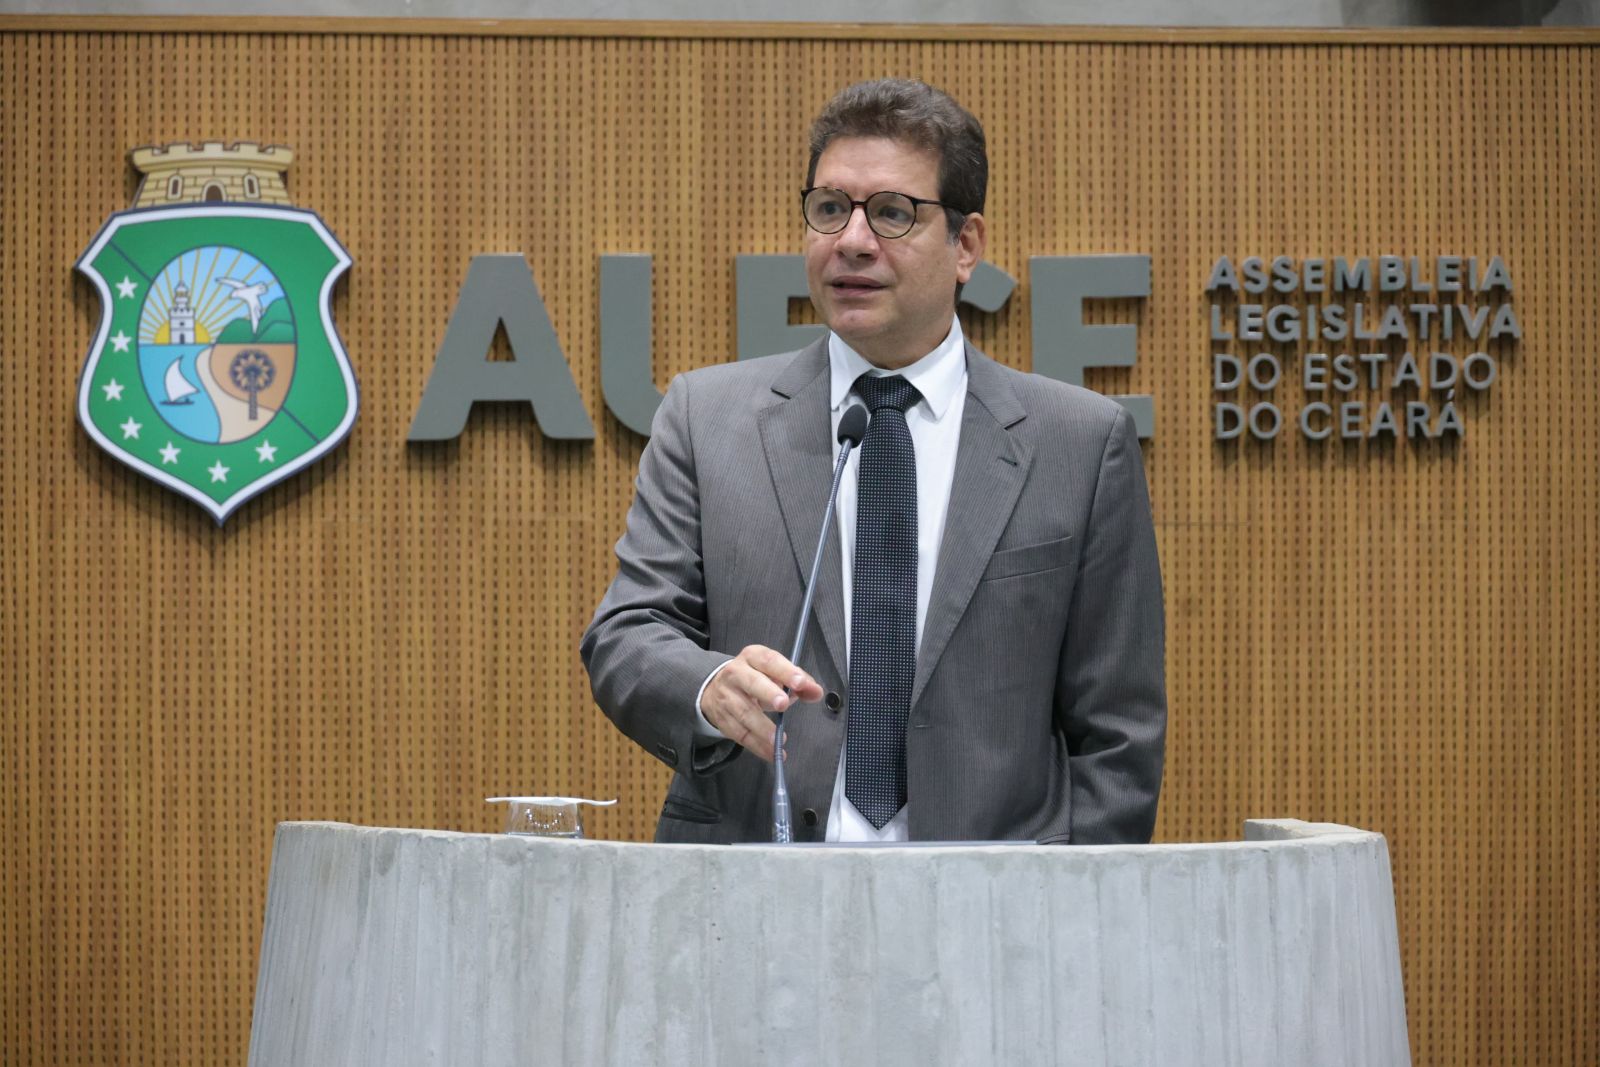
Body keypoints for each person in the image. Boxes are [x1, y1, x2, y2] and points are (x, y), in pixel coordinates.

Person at [582, 78, 1165, 844]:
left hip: (992, 902)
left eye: (892, 213)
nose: (852, 240)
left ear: (966, 246)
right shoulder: (706, 418)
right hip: (755, 890)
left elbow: (1118, 738)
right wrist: (708, 684)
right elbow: (628, 631)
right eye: (830, 208)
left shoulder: (1079, 444)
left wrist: (1058, 907)